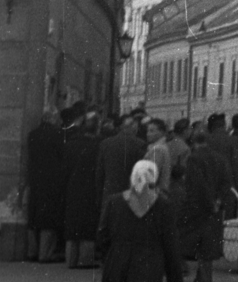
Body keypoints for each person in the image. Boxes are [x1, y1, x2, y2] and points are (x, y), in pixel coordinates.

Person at [96, 159, 182, 282]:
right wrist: (175, 280)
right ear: (155, 180)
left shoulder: (115, 201)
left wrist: (108, 259)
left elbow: (102, 237)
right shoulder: (164, 206)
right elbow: (170, 245)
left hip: (117, 263)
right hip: (148, 267)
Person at [178, 133, 222, 282]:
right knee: (207, 246)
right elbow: (226, 182)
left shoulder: (194, 159)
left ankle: (178, 275)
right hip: (214, 207)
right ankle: (203, 280)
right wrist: (218, 201)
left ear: (194, 143)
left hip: (197, 207)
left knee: (181, 239)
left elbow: (196, 184)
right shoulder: (219, 157)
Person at [25, 109, 65, 262]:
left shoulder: (32, 135)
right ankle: (45, 253)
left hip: (35, 179)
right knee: (48, 218)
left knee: (33, 215)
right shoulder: (57, 134)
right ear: (52, 119)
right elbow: (62, 156)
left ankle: (32, 252)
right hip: (52, 181)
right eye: (57, 118)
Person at [63, 111, 101, 268]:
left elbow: (64, 167)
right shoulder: (98, 145)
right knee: (87, 225)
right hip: (91, 187)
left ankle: (70, 259)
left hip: (72, 186)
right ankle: (85, 260)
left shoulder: (70, 143)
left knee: (72, 224)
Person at [97, 115, 147, 209]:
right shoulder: (140, 144)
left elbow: (99, 174)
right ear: (134, 127)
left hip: (109, 193)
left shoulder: (105, 143)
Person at [144, 119, 172, 198]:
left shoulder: (158, 149)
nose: (148, 134)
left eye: (152, 131)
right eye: (148, 131)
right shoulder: (160, 147)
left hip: (155, 194)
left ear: (161, 132)